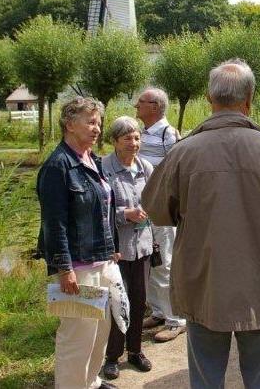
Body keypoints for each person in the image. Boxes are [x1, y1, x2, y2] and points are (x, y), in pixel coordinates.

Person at [141, 59, 260, 389]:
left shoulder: (182, 153)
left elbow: (158, 212)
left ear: (210, 99)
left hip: (202, 281)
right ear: (249, 99)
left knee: (206, 379)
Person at [36, 97, 118, 389]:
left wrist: (112, 250)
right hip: (79, 267)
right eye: (90, 122)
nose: (97, 128)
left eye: (98, 122)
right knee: (77, 338)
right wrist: (64, 267)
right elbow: (53, 223)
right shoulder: (58, 166)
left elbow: (103, 208)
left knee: (100, 332)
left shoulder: (91, 159)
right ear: (69, 124)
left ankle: (91, 382)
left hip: (102, 260)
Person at [101, 116, 154, 380]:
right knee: (115, 302)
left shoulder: (146, 167)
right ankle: (111, 356)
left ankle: (135, 351)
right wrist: (125, 214)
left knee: (139, 301)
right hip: (115, 250)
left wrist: (149, 211)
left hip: (142, 248)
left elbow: (155, 199)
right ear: (114, 141)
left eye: (136, 137)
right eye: (127, 138)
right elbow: (96, 210)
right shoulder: (103, 168)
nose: (134, 143)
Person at [135, 87, 186, 343]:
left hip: (162, 210)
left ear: (155, 106)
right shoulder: (142, 135)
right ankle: (158, 312)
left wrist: (170, 207)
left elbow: (177, 172)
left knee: (165, 261)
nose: (136, 106)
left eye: (141, 102)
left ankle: (177, 320)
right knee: (151, 260)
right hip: (145, 210)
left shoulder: (168, 134)